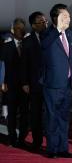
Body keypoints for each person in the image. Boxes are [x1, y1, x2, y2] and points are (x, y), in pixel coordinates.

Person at [40, 4, 72, 158]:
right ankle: (52, 149)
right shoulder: (46, 34)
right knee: (52, 117)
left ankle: (63, 149)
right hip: (53, 83)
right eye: (65, 16)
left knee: (64, 118)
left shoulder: (70, 34)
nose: (68, 19)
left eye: (69, 16)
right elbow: (44, 46)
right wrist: (58, 30)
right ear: (56, 18)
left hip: (68, 84)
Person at [20, 11, 48, 151]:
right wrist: (24, 82)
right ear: (33, 25)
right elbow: (24, 63)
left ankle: (51, 142)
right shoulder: (27, 41)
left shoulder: (50, 37)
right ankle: (37, 142)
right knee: (36, 114)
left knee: (49, 113)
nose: (44, 24)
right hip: (34, 84)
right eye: (41, 22)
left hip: (50, 83)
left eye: (45, 21)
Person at [1, 18, 29, 147]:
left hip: (26, 87)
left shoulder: (28, 46)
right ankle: (12, 138)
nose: (20, 30)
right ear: (12, 30)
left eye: (22, 28)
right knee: (11, 114)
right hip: (10, 86)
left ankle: (22, 138)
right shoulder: (6, 46)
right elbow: (2, 66)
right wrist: (2, 82)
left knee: (24, 114)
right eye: (17, 28)